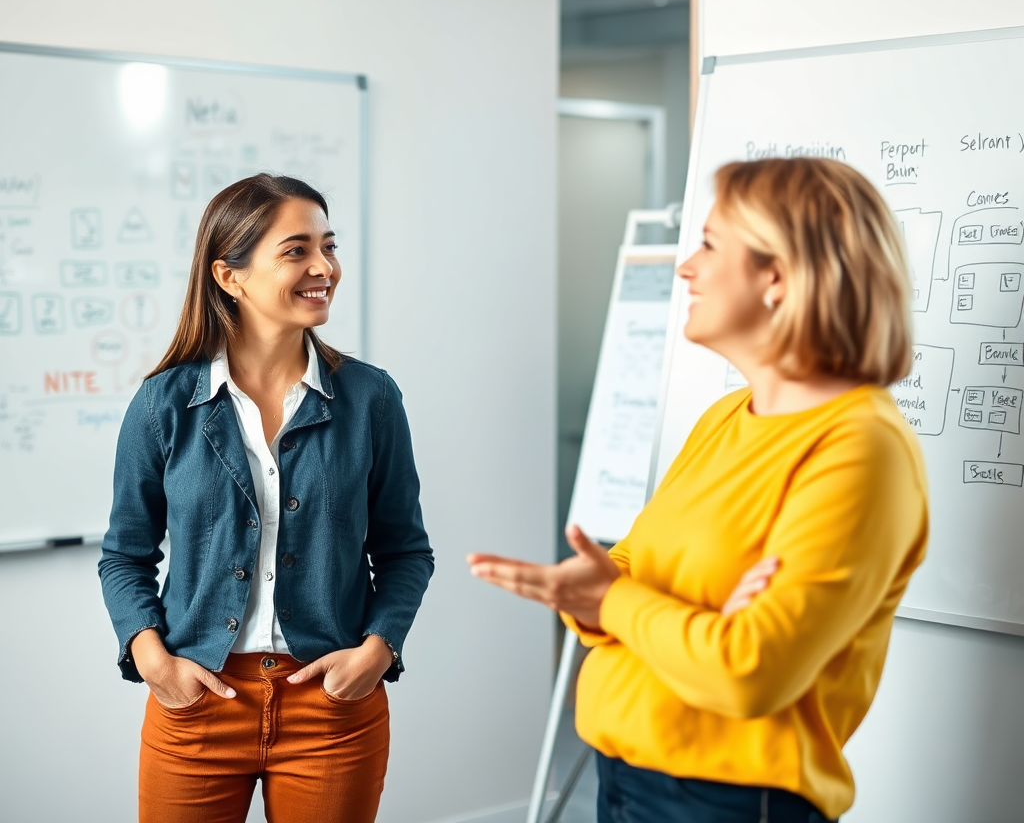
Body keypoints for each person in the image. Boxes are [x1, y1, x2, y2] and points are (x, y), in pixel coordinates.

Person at [469, 157, 928, 823]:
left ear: (778, 275)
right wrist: (642, 604)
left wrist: (625, 602)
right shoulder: (726, 417)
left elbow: (747, 670)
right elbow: (631, 564)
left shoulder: (861, 447)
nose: (685, 268)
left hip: (725, 801)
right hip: (625, 773)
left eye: (710, 244)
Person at [99, 173, 433, 823]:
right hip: (197, 703)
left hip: (332, 709)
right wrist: (152, 659)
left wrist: (379, 649)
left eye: (328, 247)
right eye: (297, 250)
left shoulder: (371, 398)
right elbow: (125, 554)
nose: (324, 268)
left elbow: (405, 551)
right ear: (230, 277)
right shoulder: (163, 404)